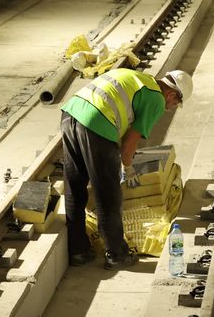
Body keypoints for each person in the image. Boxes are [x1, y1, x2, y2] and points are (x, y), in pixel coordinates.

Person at [60, 67, 192, 269]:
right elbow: (129, 145)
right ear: (172, 94)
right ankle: (117, 254)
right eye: (175, 104)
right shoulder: (156, 99)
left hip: (71, 113)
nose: (170, 108)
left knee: (75, 186)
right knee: (108, 193)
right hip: (97, 122)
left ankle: (78, 251)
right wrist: (127, 168)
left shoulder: (139, 79)